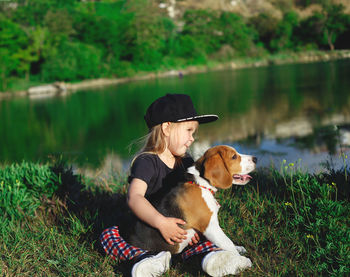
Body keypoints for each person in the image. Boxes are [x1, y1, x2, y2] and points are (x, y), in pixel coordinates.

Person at [100, 94, 241, 277]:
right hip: (148, 233)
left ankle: (211, 260)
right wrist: (161, 223)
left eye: (194, 133)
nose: (192, 138)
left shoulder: (186, 161)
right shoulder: (147, 162)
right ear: (167, 128)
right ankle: (146, 259)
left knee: (203, 240)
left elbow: (196, 197)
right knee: (109, 235)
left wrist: (197, 224)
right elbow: (134, 198)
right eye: (189, 130)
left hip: (181, 234)